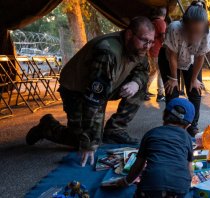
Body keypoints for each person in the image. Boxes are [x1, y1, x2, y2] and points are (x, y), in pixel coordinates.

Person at [26, 17, 155, 166]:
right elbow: (94, 100)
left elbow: (143, 70)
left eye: (151, 42)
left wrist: (136, 83)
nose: (148, 46)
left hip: (107, 86)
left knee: (140, 87)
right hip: (76, 90)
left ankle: (115, 130)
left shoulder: (138, 48)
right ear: (129, 35)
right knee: (82, 140)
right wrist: (90, 143)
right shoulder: (108, 52)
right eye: (145, 40)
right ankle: (47, 126)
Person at [115, 98, 195, 198]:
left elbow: (138, 165)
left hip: (150, 186)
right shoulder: (188, 138)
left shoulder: (151, 134)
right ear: (188, 126)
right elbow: (190, 169)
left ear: (163, 115)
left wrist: (127, 181)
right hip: (180, 187)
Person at [158, 0, 210, 136]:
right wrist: (173, 78)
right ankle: (172, 126)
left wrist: (194, 79)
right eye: (190, 31)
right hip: (169, 59)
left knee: (195, 91)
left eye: (197, 32)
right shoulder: (175, 28)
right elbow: (172, 57)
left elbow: (200, 56)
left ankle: (191, 125)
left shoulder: (206, 32)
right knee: (172, 91)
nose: (194, 36)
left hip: (191, 60)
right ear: (183, 25)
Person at [145, 7, 167, 102]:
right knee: (161, 72)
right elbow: (163, 37)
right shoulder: (161, 22)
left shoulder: (152, 22)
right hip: (158, 50)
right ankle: (160, 94)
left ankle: (144, 90)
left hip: (151, 50)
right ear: (164, 14)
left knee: (153, 71)